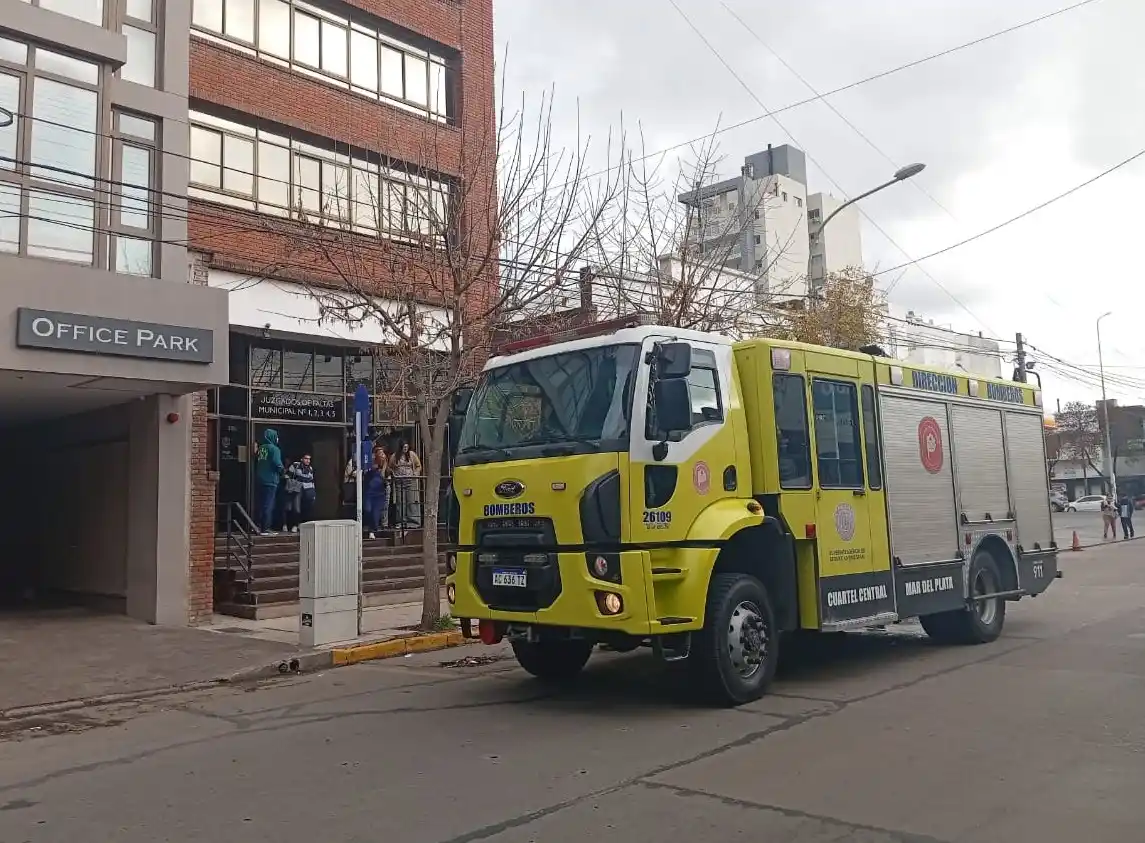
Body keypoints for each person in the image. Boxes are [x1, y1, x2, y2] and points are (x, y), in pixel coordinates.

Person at [254, 429, 284, 534]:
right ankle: (265, 528)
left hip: (259, 479)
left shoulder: (261, 448)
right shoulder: (274, 449)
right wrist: (283, 472)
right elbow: (277, 464)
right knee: (269, 504)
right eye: (276, 436)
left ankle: (257, 526)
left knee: (261, 504)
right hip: (270, 480)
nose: (277, 438)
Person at [392, 442, 422, 527]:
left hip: (410, 481)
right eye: (404, 447)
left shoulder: (412, 454)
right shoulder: (395, 456)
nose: (405, 448)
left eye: (407, 447)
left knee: (411, 501)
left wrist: (415, 473)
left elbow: (418, 465)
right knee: (400, 502)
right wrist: (393, 473)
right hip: (399, 482)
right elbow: (390, 467)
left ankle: (413, 522)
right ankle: (400, 522)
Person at [284, 454, 317, 532]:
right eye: (306, 458)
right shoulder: (296, 465)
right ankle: (294, 525)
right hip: (297, 489)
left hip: (308, 489)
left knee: (306, 508)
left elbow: (312, 480)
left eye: (309, 459)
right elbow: (287, 476)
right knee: (296, 507)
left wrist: (313, 492)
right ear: (302, 459)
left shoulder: (310, 468)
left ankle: (300, 524)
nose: (308, 461)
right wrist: (291, 485)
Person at [363, 445, 389, 540]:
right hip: (369, 492)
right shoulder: (370, 463)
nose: (382, 455)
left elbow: (387, 476)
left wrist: (385, 467)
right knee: (368, 510)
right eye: (380, 453)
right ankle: (368, 526)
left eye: (383, 453)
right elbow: (365, 473)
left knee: (376, 513)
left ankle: (372, 531)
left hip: (379, 493)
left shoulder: (385, 465)